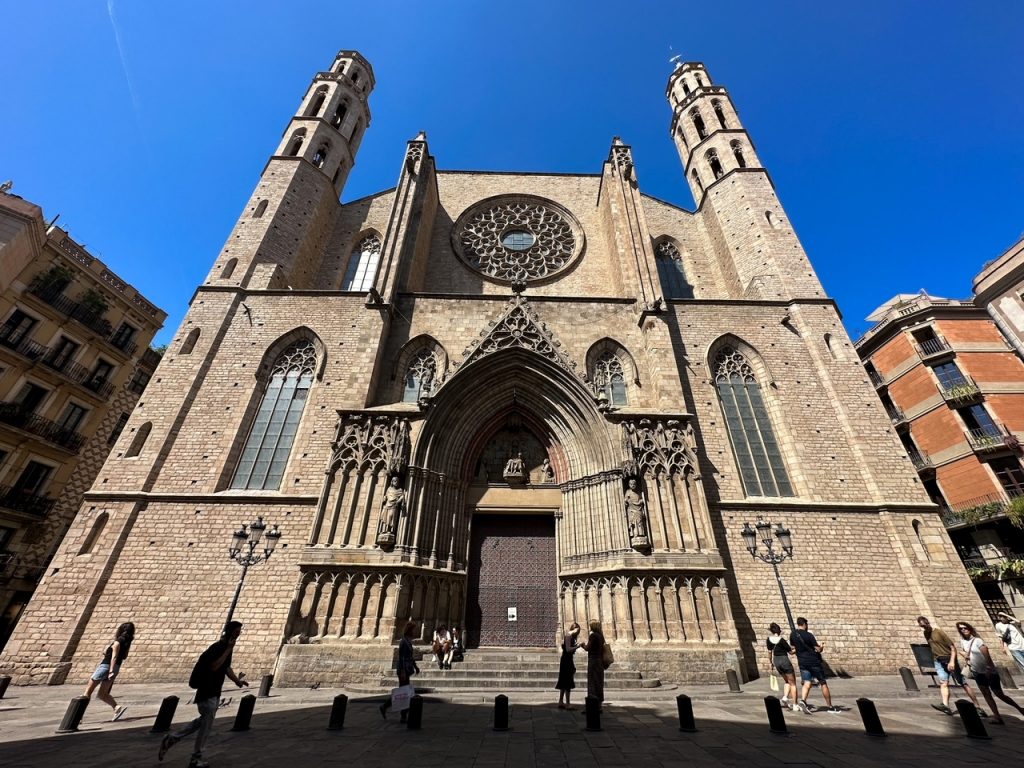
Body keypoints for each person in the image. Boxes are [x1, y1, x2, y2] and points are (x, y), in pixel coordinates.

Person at [159, 621, 249, 768]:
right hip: (207, 691)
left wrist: (237, 682)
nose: (239, 634)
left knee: (204, 721)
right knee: (206, 726)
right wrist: (227, 650)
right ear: (231, 632)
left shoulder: (226, 648)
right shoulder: (218, 647)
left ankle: (172, 739)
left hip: (214, 691)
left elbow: (226, 667)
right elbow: (214, 666)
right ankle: (195, 758)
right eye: (237, 631)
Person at [956, 620, 1024, 725]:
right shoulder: (963, 642)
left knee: (999, 694)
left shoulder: (977, 640)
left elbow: (986, 654)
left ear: (970, 629)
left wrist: (989, 668)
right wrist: (965, 655)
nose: (963, 630)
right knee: (986, 694)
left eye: (965, 628)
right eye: (961, 628)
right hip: (976, 671)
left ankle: (1019, 709)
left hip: (989, 671)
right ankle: (997, 716)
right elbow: (966, 653)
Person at [917, 615, 983, 716]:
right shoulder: (926, 633)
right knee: (943, 682)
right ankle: (945, 706)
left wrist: (952, 661)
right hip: (938, 660)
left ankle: (977, 706)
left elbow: (952, 647)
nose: (924, 627)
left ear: (928, 623)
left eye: (925, 625)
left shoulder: (938, 632)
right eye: (922, 626)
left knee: (962, 682)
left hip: (949, 658)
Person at [83, 622, 135, 721]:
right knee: (102, 694)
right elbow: (124, 656)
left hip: (106, 667)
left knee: (87, 693)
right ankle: (116, 707)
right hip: (116, 668)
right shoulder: (127, 643)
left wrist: (110, 670)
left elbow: (114, 657)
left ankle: (78, 715)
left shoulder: (117, 642)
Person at [789, 617, 840, 714]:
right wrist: (822, 647)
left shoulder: (793, 635)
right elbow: (818, 649)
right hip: (813, 662)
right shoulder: (809, 635)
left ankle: (803, 700)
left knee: (807, 682)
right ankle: (830, 706)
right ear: (804, 624)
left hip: (802, 662)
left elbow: (793, 648)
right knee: (823, 683)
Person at [380, 622, 419, 723]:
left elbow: (410, 656)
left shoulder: (408, 642)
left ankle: (389, 708)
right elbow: (401, 657)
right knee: (404, 692)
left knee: (404, 691)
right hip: (403, 670)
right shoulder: (403, 642)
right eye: (413, 629)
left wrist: (415, 666)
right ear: (410, 630)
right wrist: (402, 671)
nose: (415, 632)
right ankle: (401, 714)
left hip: (406, 669)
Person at [766, 622, 797, 711]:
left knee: (787, 681)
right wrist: (798, 648)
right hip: (784, 660)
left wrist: (770, 662)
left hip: (776, 661)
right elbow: (790, 652)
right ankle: (795, 704)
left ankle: (785, 697)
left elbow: (769, 652)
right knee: (793, 683)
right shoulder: (781, 640)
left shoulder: (768, 640)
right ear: (779, 630)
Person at [580, 620, 605, 709]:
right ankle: (599, 705)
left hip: (593, 661)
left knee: (592, 682)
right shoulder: (601, 636)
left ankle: (591, 707)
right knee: (599, 682)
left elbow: (588, 648)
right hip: (599, 661)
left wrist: (582, 645)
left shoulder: (593, 636)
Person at [556, 622, 581, 709]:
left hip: (567, 660)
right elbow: (568, 649)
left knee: (563, 681)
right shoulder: (568, 636)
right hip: (566, 661)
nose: (578, 632)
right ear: (575, 629)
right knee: (567, 681)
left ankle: (561, 701)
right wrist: (578, 647)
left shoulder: (571, 637)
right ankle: (567, 703)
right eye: (578, 630)